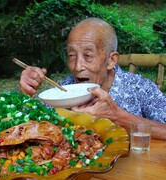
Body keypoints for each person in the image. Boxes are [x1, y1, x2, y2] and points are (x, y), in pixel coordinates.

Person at [19, 17, 166, 140]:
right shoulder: (63, 91)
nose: (77, 67)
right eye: (72, 55)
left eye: (88, 56)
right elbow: (25, 126)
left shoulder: (140, 88)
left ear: (111, 60)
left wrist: (118, 117)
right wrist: (25, 94)